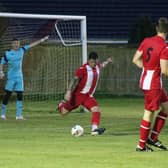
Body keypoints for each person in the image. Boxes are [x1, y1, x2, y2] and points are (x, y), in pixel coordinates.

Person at [132, 17, 168, 152]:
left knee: (166, 108)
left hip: (147, 80)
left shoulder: (146, 41)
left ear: (156, 29)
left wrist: (147, 69)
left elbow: (135, 59)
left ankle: (153, 138)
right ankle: (141, 145)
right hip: (153, 84)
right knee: (148, 114)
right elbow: (164, 70)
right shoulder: (164, 47)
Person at [58, 51, 112, 135]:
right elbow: (74, 79)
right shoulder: (83, 69)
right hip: (78, 95)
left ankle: (94, 129)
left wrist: (107, 61)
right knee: (63, 112)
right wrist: (68, 91)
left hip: (88, 96)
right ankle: (61, 104)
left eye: (94, 62)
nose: (92, 64)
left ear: (97, 60)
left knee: (96, 109)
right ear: (88, 60)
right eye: (91, 62)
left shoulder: (97, 66)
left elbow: (102, 65)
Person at [0, 35, 49, 120]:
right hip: (11, 77)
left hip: (19, 77)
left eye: (17, 43)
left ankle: (18, 115)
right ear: (12, 44)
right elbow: (1, 63)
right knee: (7, 94)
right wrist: (1, 72)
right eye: (14, 43)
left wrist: (42, 39)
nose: (16, 45)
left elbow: (32, 45)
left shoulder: (22, 50)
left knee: (20, 95)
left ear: (19, 44)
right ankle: (2, 114)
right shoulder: (7, 53)